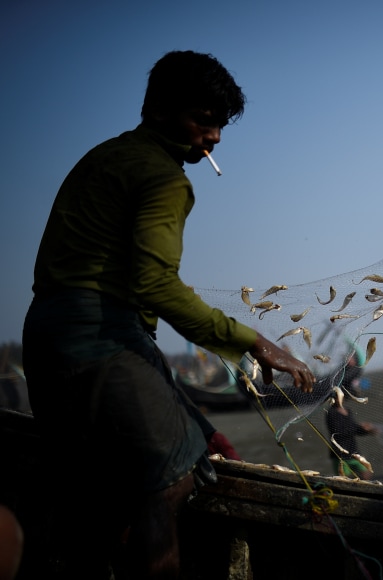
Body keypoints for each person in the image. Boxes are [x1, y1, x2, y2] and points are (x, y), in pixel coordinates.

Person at [21, 50, 317, 579]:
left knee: (95, 492)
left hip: (47, 335)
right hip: (102, 339)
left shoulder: (103, 156)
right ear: (158, 109)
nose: (216, 138)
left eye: (221, 125)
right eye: (204, 121)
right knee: (171, 477)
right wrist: (253, 341)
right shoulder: (165, 179)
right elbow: (153, 284)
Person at [325, 389, 378, 480]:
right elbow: (338, 432)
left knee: (366, 473)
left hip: (353, 451)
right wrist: (359, 427)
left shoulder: (348, 411)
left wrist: (367, 430)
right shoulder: (331, 412)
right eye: (336, 397)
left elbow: (354, 428)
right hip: (339, 453)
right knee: (343, 479)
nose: (339, 399)